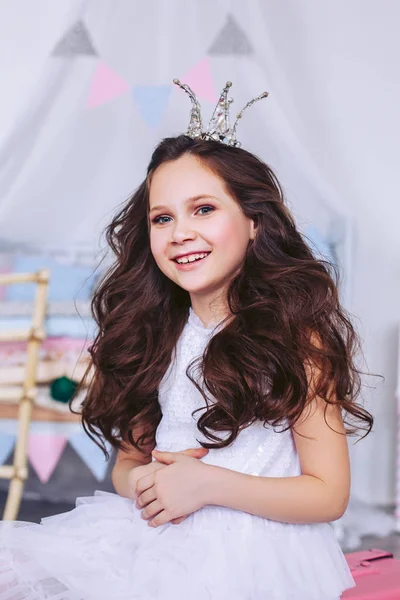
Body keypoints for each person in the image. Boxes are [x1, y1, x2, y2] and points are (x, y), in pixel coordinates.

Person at [0, 80, 373, 600]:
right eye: (162, 218)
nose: (180, 233)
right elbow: (129, 465)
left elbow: (328, 495)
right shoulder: (156, 335)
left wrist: (207, 485)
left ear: (253, 224)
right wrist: (149, 484)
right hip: (154, 536)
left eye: (204, 209)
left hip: (254, 553)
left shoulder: (295, 338)